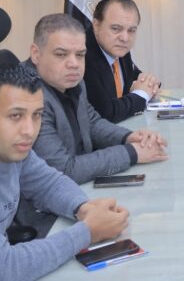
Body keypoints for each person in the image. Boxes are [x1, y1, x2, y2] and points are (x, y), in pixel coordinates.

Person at [0, 64, 129, 281]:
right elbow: (1, 269)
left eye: (36, 115)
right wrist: (88, 232)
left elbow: (48, 183)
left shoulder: (6, 145)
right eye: (15, 116)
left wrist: (83, 208)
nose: (29, 130)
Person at [19, 14, 168, 234]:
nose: (73, 64)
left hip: (80, 192)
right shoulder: (27, 97)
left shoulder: (71, 80)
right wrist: (132, 153)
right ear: (36, 53)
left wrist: (128, 137)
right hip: (45, 218)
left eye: (80, 55)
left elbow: (91, 121)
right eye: (61, 54)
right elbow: (64, 170)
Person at [84, 0, 160, 123]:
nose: (125, 38)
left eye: (131, 30)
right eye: (116, 29)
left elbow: (135, 77)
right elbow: (105, 113)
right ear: (96, 25)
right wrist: (142, 95)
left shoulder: (117, 49)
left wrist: (150, 83)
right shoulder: (83, 56)